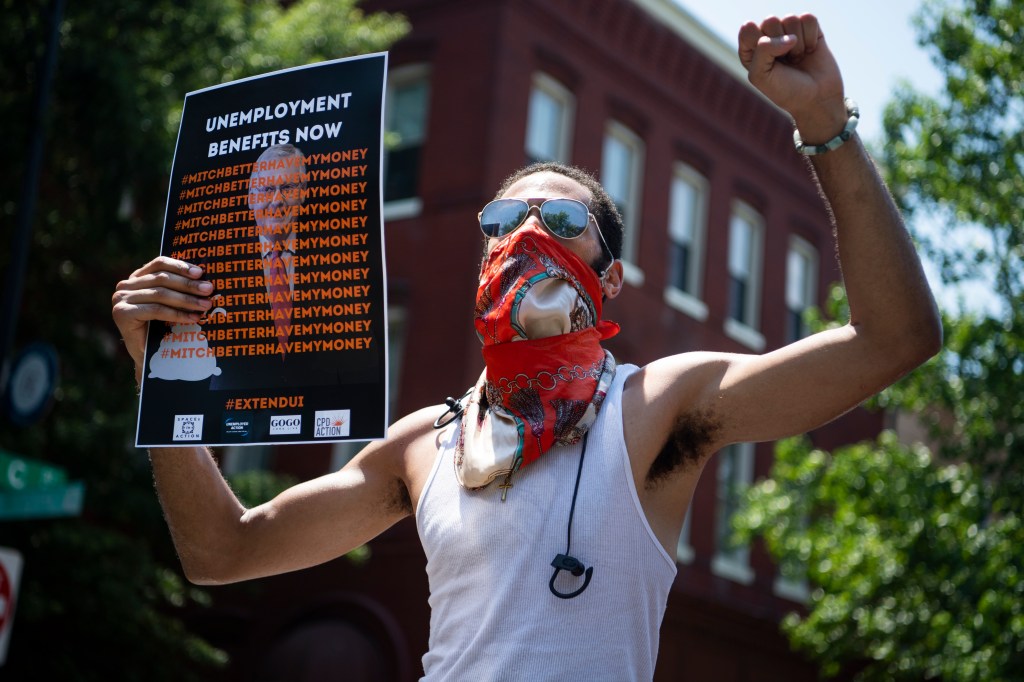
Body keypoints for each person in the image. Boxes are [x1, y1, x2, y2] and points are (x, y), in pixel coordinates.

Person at [112, 15, 940, 680]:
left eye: (563, 222)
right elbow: (224, 551)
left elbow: (895, 340)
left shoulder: (657, 408)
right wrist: (165, 370)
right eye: (503, 225)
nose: (528, 238)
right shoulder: (423, 445)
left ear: (608, 280)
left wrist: (826, 128)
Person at [200, 142, 377, 390]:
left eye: (288, 188)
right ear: (251, 197)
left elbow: (360, 362)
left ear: (303, 192)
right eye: (267, 189)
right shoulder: (213, 266)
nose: (276, 200)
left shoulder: (339, 263)